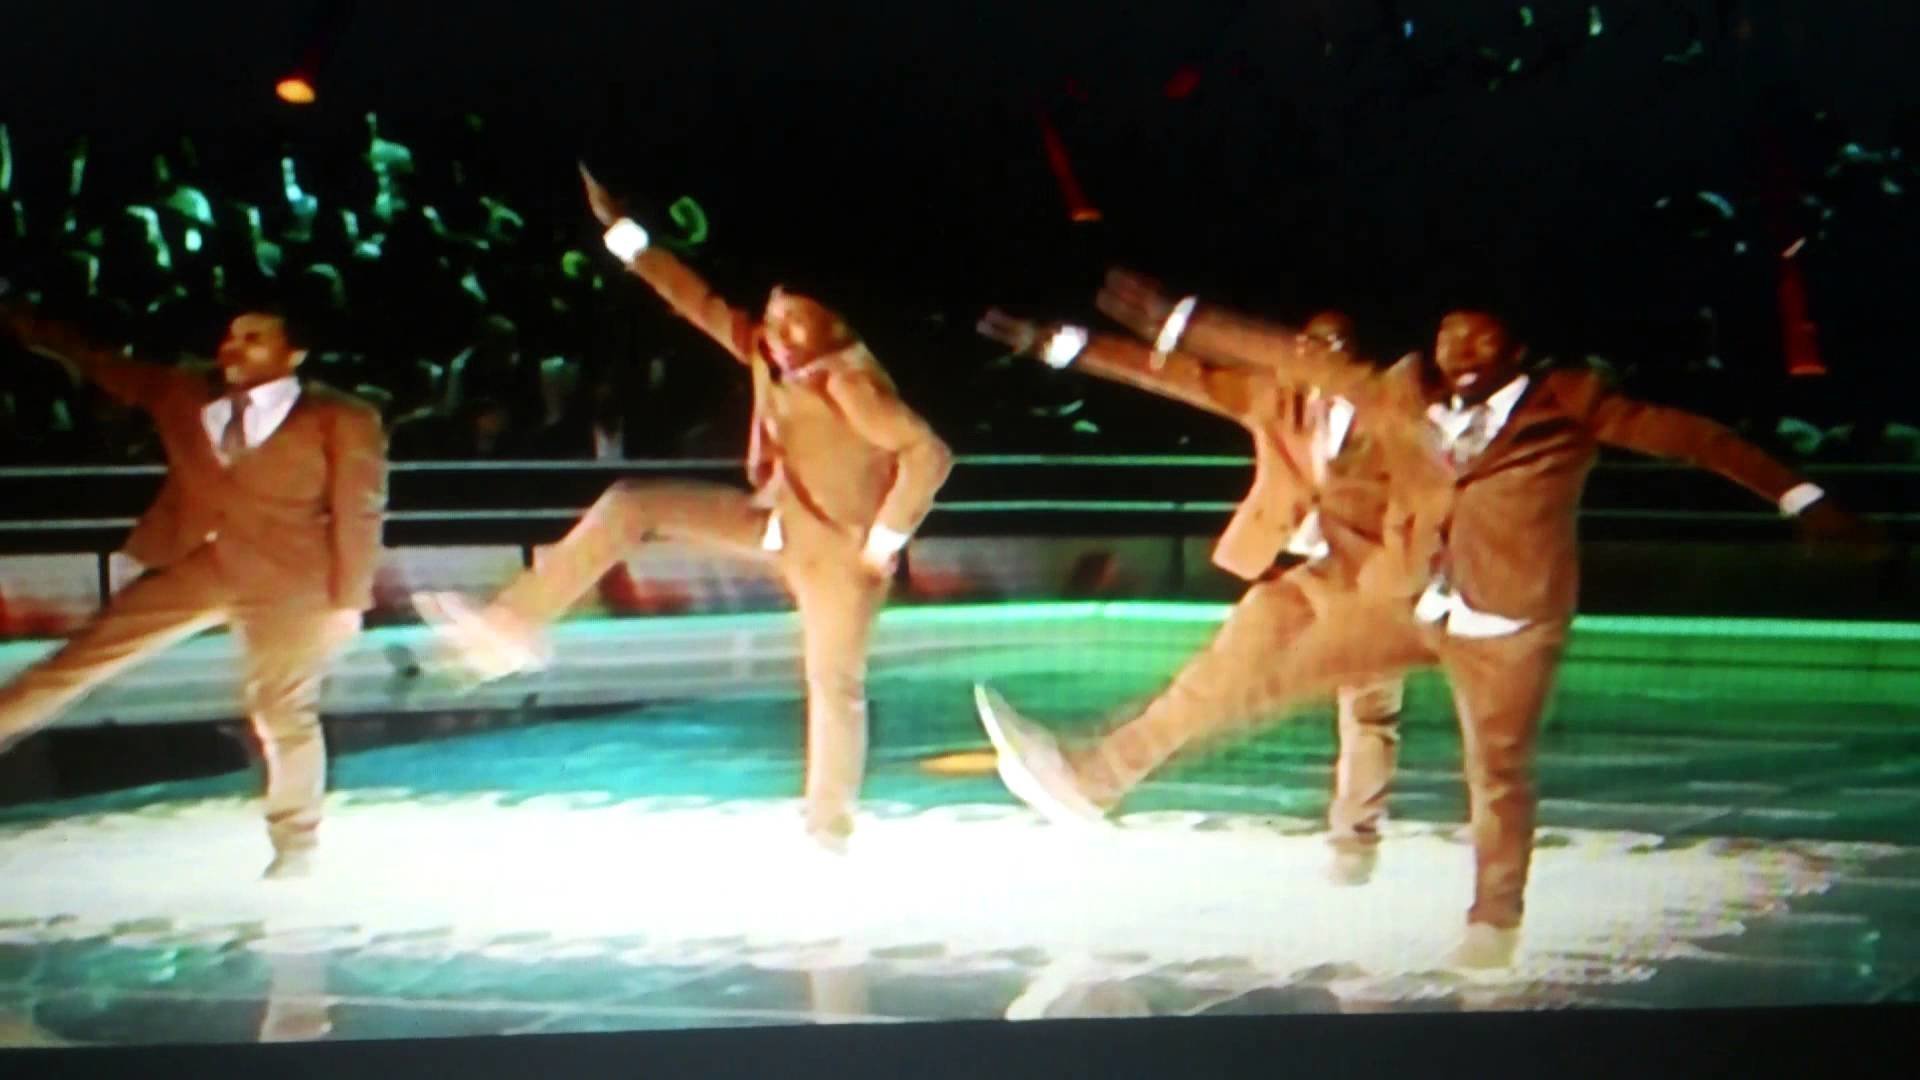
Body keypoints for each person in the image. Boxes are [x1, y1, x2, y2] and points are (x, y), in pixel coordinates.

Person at [974, 269, 1878, 967]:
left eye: (1479, 337)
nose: (1459, 349)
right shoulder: (1389, 394)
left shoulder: (1562, 404)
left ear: (1516, 348)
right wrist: (1160, 322)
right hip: (1395, 595)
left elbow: (1697, 439)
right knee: (1261, 674)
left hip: (1499, 619)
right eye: (1449, 335)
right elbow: (1251, 363)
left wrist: (1801, 498)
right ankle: (1094, 777)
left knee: (1485, 766)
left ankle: (1480, 914)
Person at [413, 167, 953, 854]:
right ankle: (512, 623)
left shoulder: (851, 384)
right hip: (776, 523)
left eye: (796, 321)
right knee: (631, 503)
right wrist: (624, 235)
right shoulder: (767, 350)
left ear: (834, 324)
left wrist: (884, 540)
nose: (779, 333)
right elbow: (693, 298)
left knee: (834, 683)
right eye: (775, 317)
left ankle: (830, 825)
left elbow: (929, 453)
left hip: (840, 555)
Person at [975, 306, 1405, 885]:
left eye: (1330, 346)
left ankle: (1354, 845)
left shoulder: (1394, 411)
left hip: (1379, 577)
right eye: (1305, 344)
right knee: (1305, 695)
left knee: (1362, 708)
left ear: (1357, 356)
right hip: (1320, 567)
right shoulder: (1280, 397)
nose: (1311, 356)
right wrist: (1074, 349)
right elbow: (1183, 377)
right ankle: (1096, 780)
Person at [0, 303, 387, 880]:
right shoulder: (184, 392)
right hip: (199, 562)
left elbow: (360, 509)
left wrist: (350, 599)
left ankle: (295, 843)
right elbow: (104, 365)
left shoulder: (340, 415)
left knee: (283, 709)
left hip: (290, 580)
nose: (233, 348)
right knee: (78, 660)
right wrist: (29, 324)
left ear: (294, 353)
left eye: (253, 338)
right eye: (231, 337)